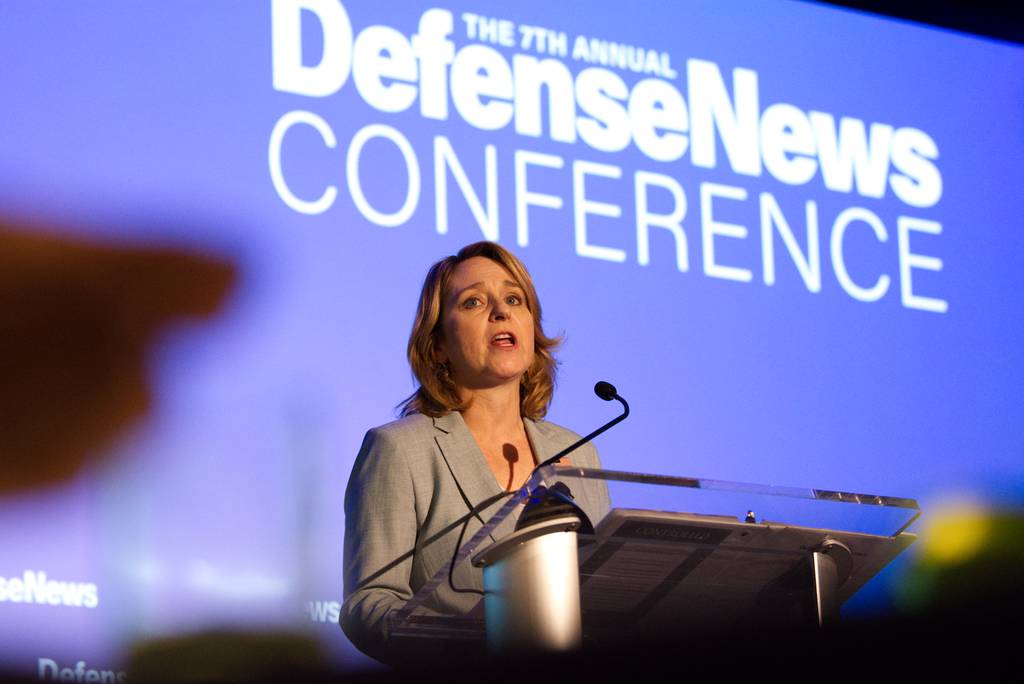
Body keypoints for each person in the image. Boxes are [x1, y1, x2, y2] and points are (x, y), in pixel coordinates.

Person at [341, 241, 609, 664]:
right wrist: (471, 645)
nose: (500, 312)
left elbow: (603, 593)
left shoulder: (578, 453)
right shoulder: (400, 449)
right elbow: (369, 605)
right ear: (439, 345)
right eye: (473, 302)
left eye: (513, 299)